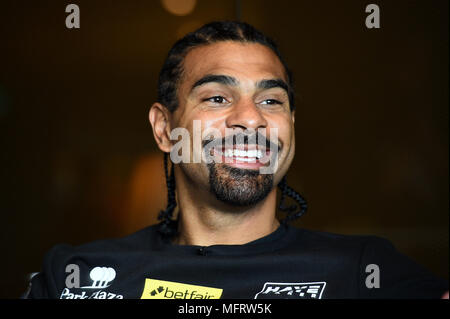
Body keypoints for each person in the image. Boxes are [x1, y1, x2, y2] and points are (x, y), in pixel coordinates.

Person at [24, 21, 448, 299]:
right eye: (217, 98)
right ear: (163, 128)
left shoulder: (365, 273)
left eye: (270, 100)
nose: (250, 118)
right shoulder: (76, 277)